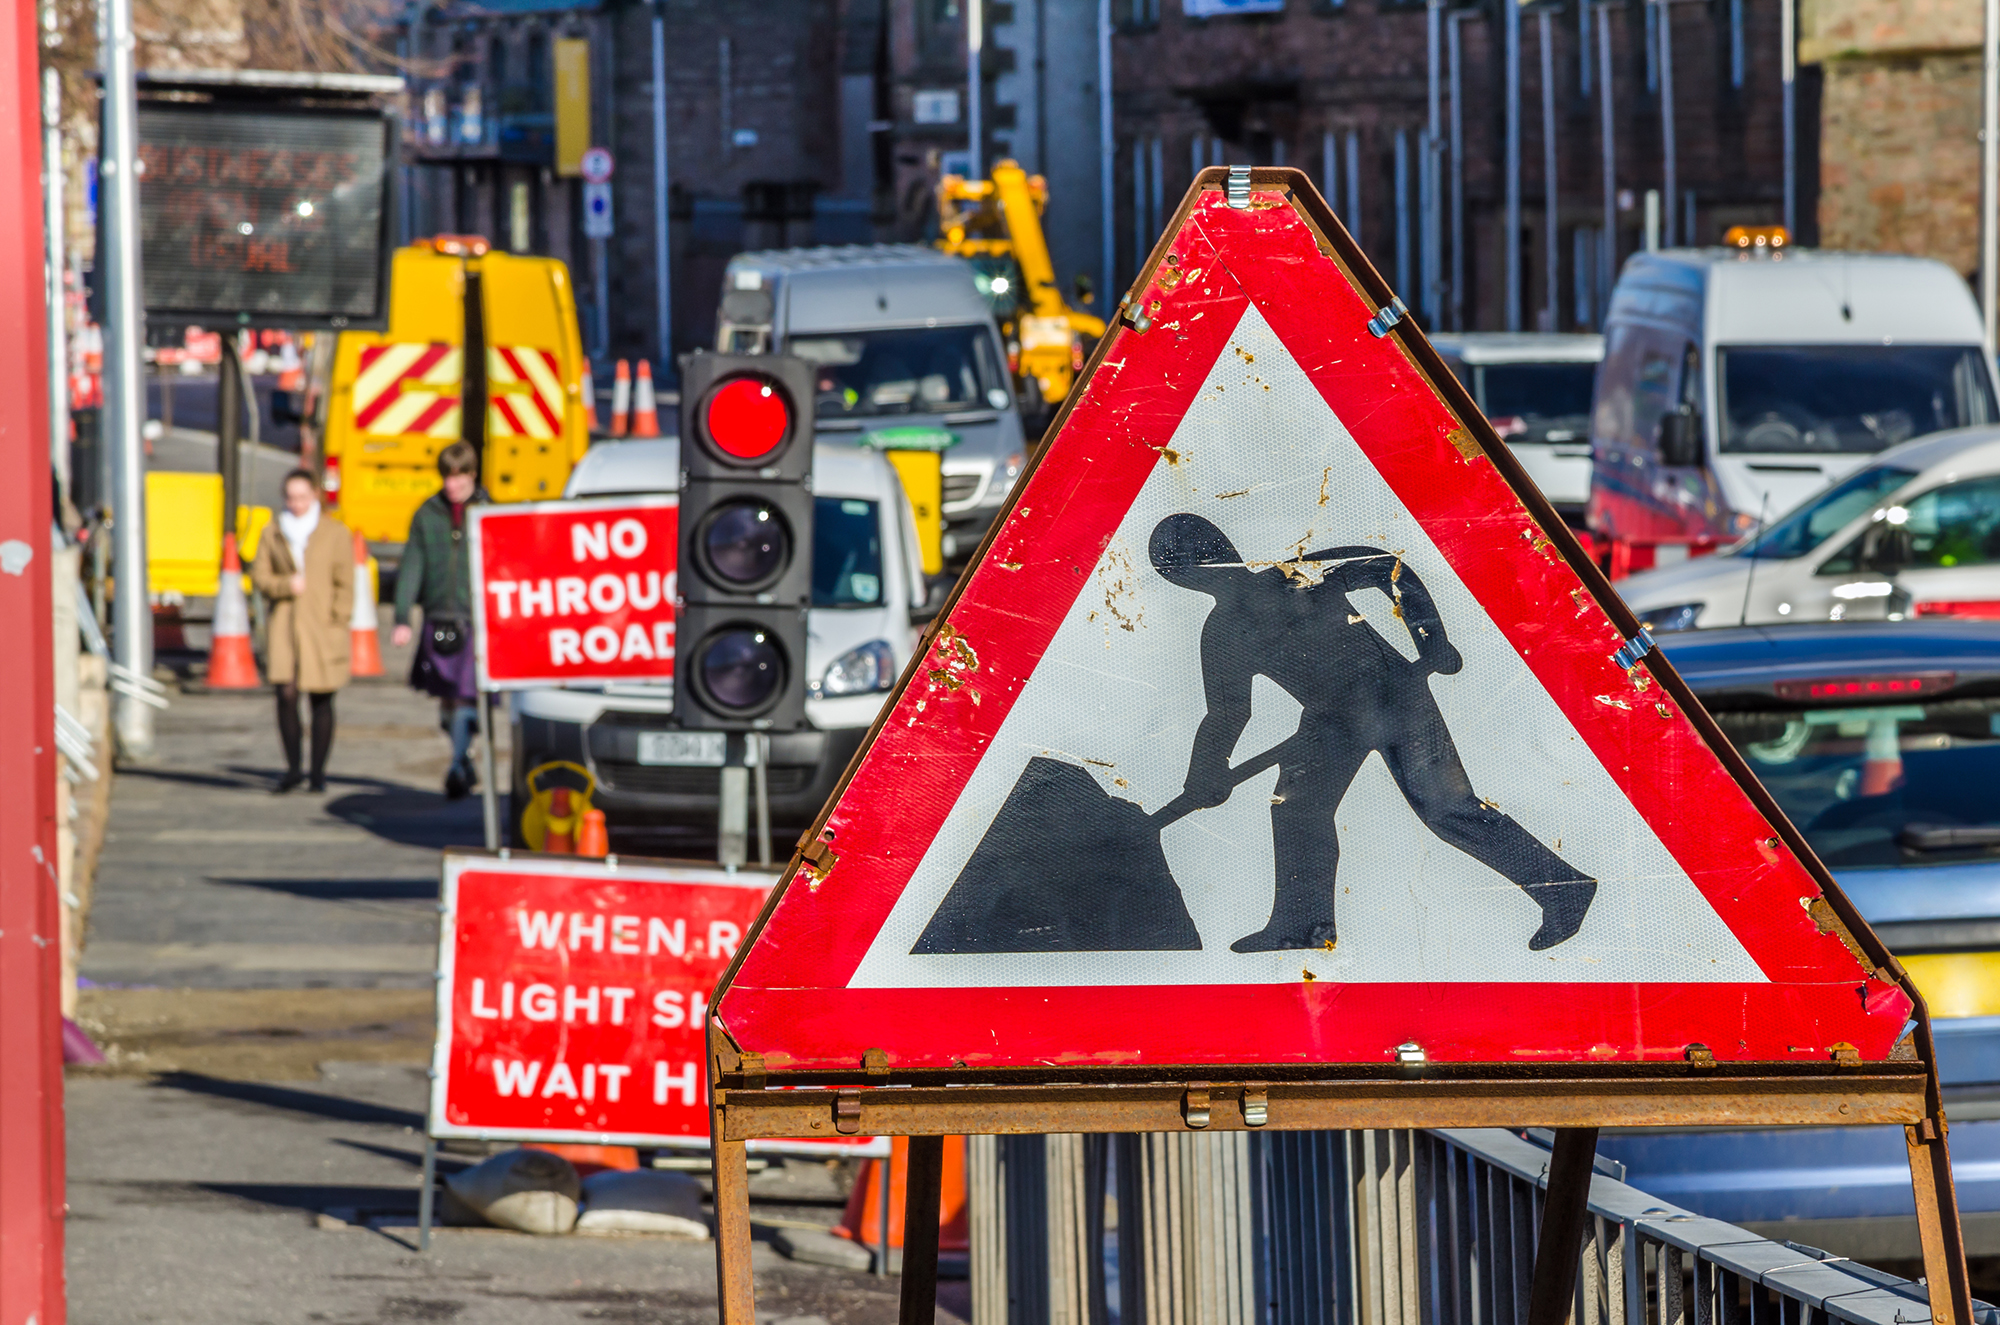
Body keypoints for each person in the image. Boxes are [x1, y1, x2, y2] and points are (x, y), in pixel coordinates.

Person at [1151, 513, 1598, 953]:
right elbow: (1228, 713)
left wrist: (1431, 639)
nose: (1205, 571)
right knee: (1296, 810)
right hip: (1329, 719)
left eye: (1202, 559)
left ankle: (1563, 888)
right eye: (1191, 568)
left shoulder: (1296, 575)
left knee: (1447, 809)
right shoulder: (1224, 632)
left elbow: (1387, 564)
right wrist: (1205, 771)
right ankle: (1303, 926)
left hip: (1393, 695)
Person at [392, 442, 486, 799]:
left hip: (474, 620)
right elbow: (412, 567)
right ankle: (464, 751)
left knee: (464, 697)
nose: (452, 484)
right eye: (447, 476)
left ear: (472, 475)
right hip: (438, 618)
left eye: (459, 476)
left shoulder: (486, 510)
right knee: (448, 703)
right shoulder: (427, 514)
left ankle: (457, 766)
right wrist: (402, 617)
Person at [251, 469, 353, 793]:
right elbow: (260, 577)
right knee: (286, 694)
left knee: (322, 698)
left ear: (315, 497)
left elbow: (346, 582)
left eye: (302, 497)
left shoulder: (335, 533)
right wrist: (286, 585)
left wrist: (338, 618)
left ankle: (318, 772)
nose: (296, 504)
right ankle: (293, 768)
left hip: (322, 626)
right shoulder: (272, 532)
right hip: (285, 626)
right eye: (291, 498)